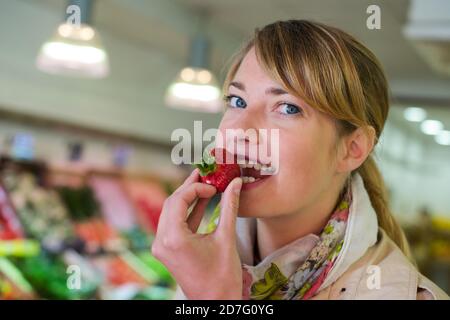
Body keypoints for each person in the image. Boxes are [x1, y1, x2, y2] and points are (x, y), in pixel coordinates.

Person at [151, 20, 449, 300]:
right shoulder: (202, 261)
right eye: (237, 101)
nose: (239, 129)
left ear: (353, 148)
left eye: (287, 108)